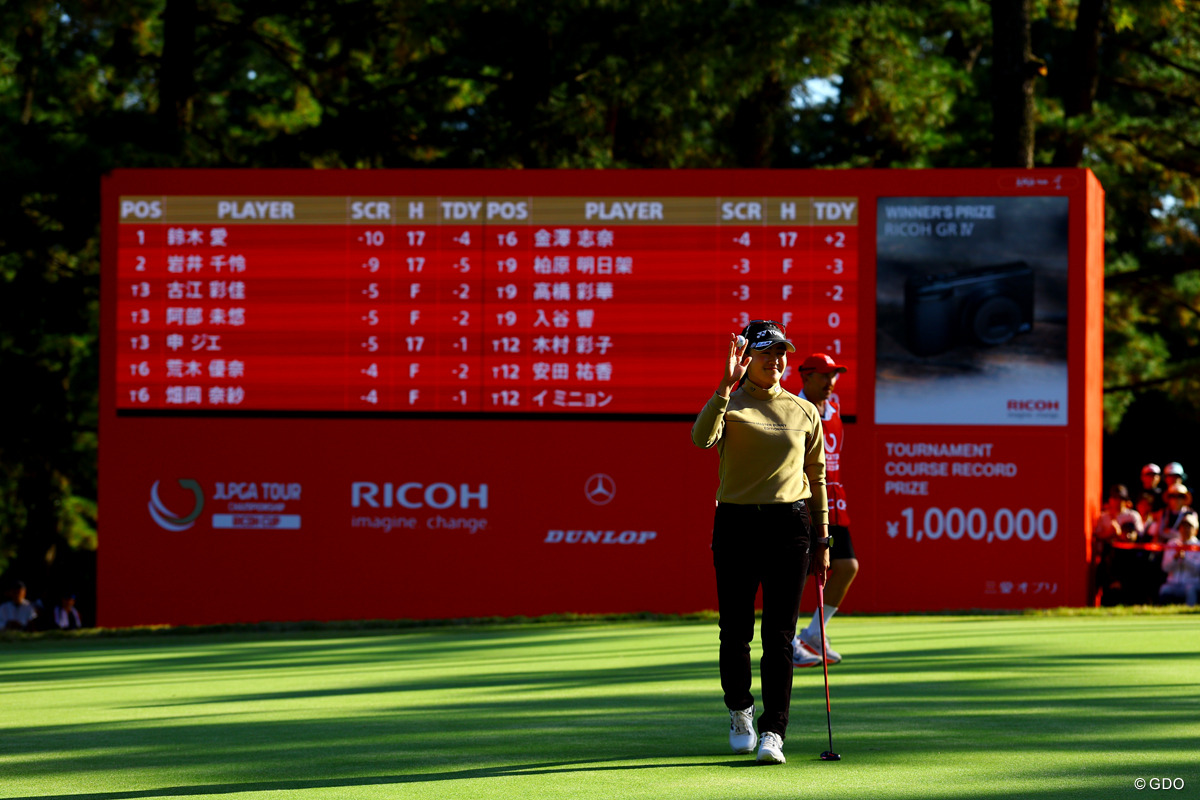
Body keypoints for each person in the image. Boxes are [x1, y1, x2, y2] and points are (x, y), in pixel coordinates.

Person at [692, 319, 830, 765]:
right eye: (767, 353)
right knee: (735, 632)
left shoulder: (804, 411)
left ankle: (774, 730)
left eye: (781, 353)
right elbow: (701, 439)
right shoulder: (730, 403)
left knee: (779, 635)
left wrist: (823, 537)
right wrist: (724, 387)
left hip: (791, 526)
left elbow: (818, 478)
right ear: (747, 358)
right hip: (735, 524)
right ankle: (740, 710)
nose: (776, 361)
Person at [791, 353, 856, 668]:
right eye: (824, 375)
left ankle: (815, 632)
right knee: (798, 574)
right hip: (805, 497)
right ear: (805, 377)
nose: (831, 382)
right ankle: (787, 640)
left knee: (846, 566)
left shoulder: (835, 407)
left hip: (833, 497)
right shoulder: (794, 409)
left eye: (835, 375)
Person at [1158, 511, 1200, 606]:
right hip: (1173, 584)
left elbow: (1198, 570)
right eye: (1183, 526)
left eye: (1189, 526)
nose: (1185, 529)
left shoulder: (1198, 546)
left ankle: (1189, 614)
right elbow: (1165, 567)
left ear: (1195, 530)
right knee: (1164, 589)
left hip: (1191, 583)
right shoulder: (1172, 544)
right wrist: (1175, 558)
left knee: (1191, 590)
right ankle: (1161, 615)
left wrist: (1185, 559)